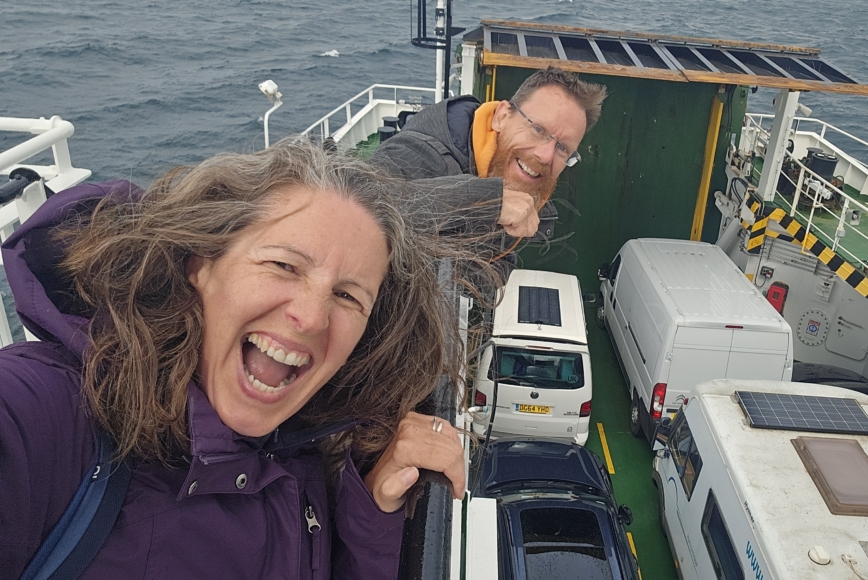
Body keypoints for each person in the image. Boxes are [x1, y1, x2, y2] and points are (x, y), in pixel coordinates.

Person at [0, 139, 473, 579]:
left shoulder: (308, 442)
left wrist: (373, 510)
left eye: (348, 297)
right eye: (284, 265)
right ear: (200, 264)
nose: (311, 318)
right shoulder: (51, 412)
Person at [370, 66, 607, 253]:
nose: (546, 156)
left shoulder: (516, 179)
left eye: (562, 148)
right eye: (537, 130)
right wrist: (487, 203)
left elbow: (493, 269)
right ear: (502, 117)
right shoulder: (422, 152)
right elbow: (365, 204)